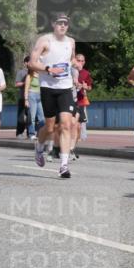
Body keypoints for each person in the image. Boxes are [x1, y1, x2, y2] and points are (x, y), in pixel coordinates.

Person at [30, 13, 78, 177]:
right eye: (59, 23)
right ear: (53, 24)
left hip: (65, 87)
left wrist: (72, 64)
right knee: (50, 127)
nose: (63, 26)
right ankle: (39, 147)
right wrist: (49, 69)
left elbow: (71, 59)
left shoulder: (71, 42)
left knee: (66, 124)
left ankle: (64, 166)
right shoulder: (44, 41)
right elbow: (32, 63)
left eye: (65, 23)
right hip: (47, 88)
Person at [70, 53, 93, 159]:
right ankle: (58, 147)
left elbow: (89, 87)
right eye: (78, 60)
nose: (80, 62)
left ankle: (71, 149)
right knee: (68, 125)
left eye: (82, 61)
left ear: (84, 62)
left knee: (78, 126)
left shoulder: (86, 73)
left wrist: (85, 87)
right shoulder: (69, 71)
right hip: (68, 101)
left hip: (80, 101)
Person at [14, 55, 30, 138]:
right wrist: (26, 83)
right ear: (25, 63)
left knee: (31, 117)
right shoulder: (21, 72)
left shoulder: (36, 72)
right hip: (22, 98)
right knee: (21, 117)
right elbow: (16, 84)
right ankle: (19, 133)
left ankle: (30, 133)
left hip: (33, 98)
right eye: (29, 62)